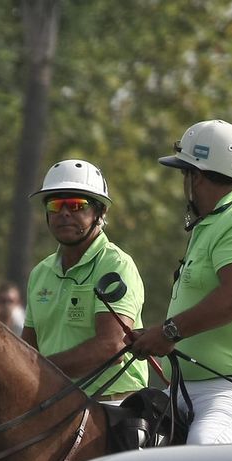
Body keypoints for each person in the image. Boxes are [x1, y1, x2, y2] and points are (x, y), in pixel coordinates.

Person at [130, 119, 232, 443]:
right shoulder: (215, 221)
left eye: (185, 173)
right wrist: (154, 335)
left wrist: (168, 332)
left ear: (198, 176)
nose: (185, 183)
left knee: (205, 447)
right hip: (191, 389)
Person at [22, 159, 148, 399]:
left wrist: (37, 370)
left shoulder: (115, 264)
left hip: (111, 403)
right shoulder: (40, 272)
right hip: (54, 404)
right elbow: (27, 350)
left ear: (100, 212)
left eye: (77, 205)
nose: (65, 213)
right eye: (55, 205)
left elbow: (112, 347)